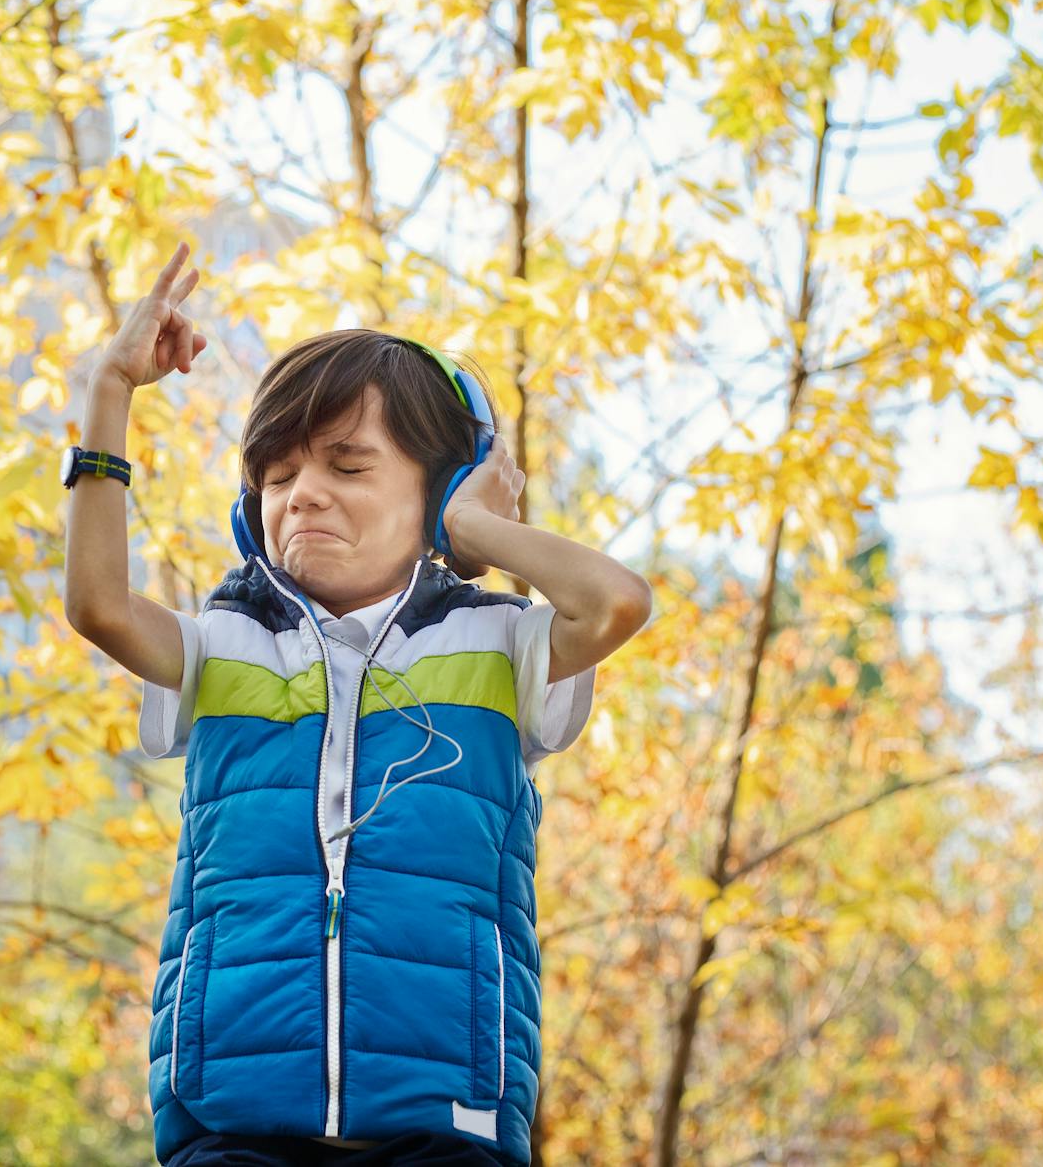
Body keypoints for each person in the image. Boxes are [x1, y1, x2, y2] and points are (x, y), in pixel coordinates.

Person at [62, 241, 654, 1166]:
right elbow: (96, 604)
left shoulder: (499, 644)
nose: (304, 497)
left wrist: (477, 530)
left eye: (347, 465)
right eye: (280, 475)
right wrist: (108, 391)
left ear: (441, 491)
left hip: (445, 1114)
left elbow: (617, 602)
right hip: (233, 1111)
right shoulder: (224, 641)